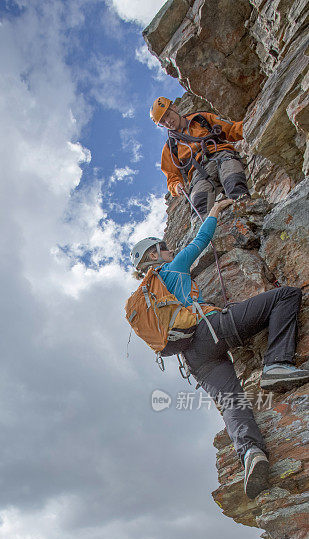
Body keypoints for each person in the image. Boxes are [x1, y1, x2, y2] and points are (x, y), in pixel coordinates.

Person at [130, 199, 309, 499]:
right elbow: (202, 240)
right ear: (154, 255)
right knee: (286, 296)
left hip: (193, 358)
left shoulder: (147, 296)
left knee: (230, 402)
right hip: (210, 330)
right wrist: (215, 210)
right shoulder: (172, 270)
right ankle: (277, 363)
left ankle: (251, 453)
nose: (169, 249)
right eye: (163, 246)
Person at [150, 97, 250, 216]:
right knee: (199, 209)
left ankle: (246, 212)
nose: (168, 121)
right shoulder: (170, 147)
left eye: (167, 114)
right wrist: (176, 186)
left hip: (222, 155)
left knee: (234, 182)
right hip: (198, 173)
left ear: (174, 107)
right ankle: (206, 232)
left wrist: (249, 126)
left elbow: (231, 129)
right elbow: (171, 176)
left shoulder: (201, 119)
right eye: (162, 122)